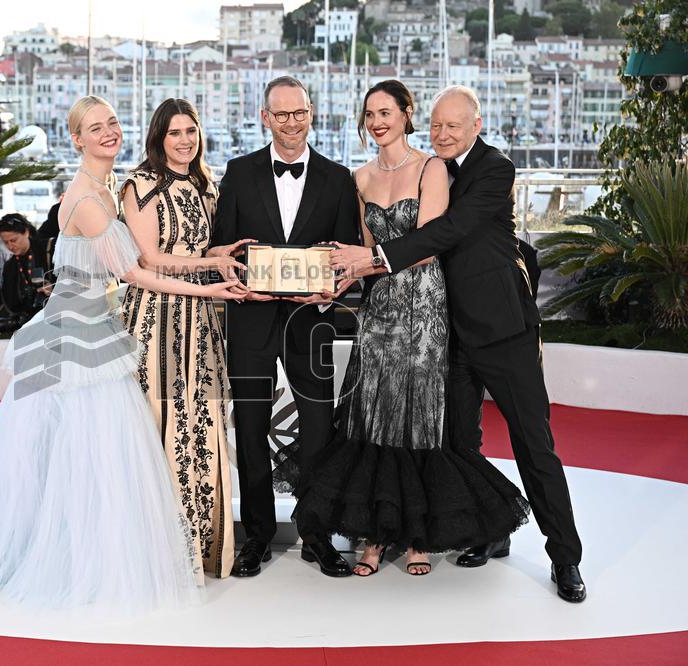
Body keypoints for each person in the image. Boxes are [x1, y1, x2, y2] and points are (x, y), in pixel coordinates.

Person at [0, 95, 245, 615]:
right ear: (76, 139)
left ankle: (73, 554)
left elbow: (147, 257)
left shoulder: (107, 191)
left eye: (111, 123)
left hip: (95, 331)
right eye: (94, 127)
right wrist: (210, 289)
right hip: (71, 340)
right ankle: (61, 561)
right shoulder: (85, 200)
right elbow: (134, 273)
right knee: (73, 462)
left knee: (85, 462)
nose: (108, 132)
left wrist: (209, 257)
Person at [331, 85, 586, 602]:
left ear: (476, 124)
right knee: (460, 446)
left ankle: (566, 558)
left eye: (453, 125)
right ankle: (488, 531)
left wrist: (374, 259)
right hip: (443, 333)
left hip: (502, 331)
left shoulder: (494, 168)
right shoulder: (428, 168)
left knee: (534, 445)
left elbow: (448, 231)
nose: (443, 134)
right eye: (437, 125)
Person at [292, 80, 530, 577]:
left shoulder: (432, 168)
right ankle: (374, 535)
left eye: (386, 112)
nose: (377, 122)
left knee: (420, 419)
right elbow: (355, 255)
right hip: (379, 311)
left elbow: (429, 243)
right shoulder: (357, 180)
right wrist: (332, 286)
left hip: (424, 306)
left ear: (405, 115)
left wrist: (364, 262)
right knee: (372, 417)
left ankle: (418, 536)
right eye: (369, 114)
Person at [211, 76, 359, 578]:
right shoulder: (237, 172)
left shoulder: (340, 180)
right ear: (265, 118)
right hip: (250, 320)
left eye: (300, 113)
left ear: (311, 114)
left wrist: (332, 288)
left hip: (311, 324)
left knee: (319, 430)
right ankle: (256, 537)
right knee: (250, 428)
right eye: (282, 114)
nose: (291, 123)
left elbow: (345, 257)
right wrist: (233, 276)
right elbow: (219, 249)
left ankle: (317, 534)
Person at [120, 98, 249, 578]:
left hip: (202, 318)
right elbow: (151, 260)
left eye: (191, 131)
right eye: (174, 132)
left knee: (203, 428)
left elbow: (196, 246)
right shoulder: (140, 186)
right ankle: (158, 556)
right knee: (159, 425)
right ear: (158, 136)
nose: (184, 140)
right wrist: (211, 266)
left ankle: (202, 549)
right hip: (154, 317)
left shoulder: (207, 182)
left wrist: (222, 252)